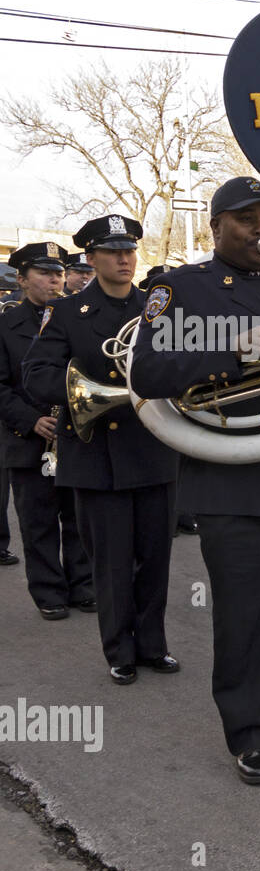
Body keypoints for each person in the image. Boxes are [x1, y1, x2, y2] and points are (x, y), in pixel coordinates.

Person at [128, 175, 260, 784]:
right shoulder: (182, 287)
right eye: (247, 220)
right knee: (245, 614)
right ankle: (249, 734)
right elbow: (145, 370)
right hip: (234, 480)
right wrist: (235, 347)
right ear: (217, 225)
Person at [23, 216, 180, 686]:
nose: (124, 259)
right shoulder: (68, 314)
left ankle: (153, 644)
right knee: (111, 561)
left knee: (155, 558)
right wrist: (78, 395)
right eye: (112, 251)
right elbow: (36, 375)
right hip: (97, 455)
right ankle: (119, 649)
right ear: (90, 259)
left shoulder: (158, 309)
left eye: (129, 250)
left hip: (153, 450)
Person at [0, 243, 92, 618]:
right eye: (44, 273)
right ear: (22, 280)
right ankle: (49, 593)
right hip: (27, 437)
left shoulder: (78, 317)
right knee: (37, 522)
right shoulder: (6, 324)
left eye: (58, 273)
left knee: (78, 519)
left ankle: (83, 586)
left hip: (75, 432)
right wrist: (30, 420)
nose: (55, 280)